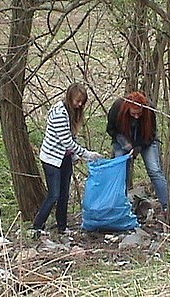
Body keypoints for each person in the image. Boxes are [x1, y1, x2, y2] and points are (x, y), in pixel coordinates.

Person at [32, 83, 103, 237]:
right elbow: (67, 142)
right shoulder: (59, 113)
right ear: (70, 97)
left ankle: (62, 226)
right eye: (77, 101)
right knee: (54, 194)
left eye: (82, 102)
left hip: (65, 158)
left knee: (65, 193)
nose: (79, 105)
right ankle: (37, 226)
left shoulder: (72, 113)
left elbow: (73, 137)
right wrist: (87, 154)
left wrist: (76, 156)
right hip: (52, 158)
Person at [106, 91, 168, 212]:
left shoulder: (149, 110)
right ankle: (121, 206)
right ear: (128, 108)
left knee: (154, 170)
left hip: (146, 141)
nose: (136, 116)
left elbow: (152, 133)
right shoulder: (117, 107)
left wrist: (138, 147)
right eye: (134, 113)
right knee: (120, 172)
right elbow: (111, 129)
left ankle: (167, 206)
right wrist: (125, 144)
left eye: (139, 113)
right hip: (122, 139)